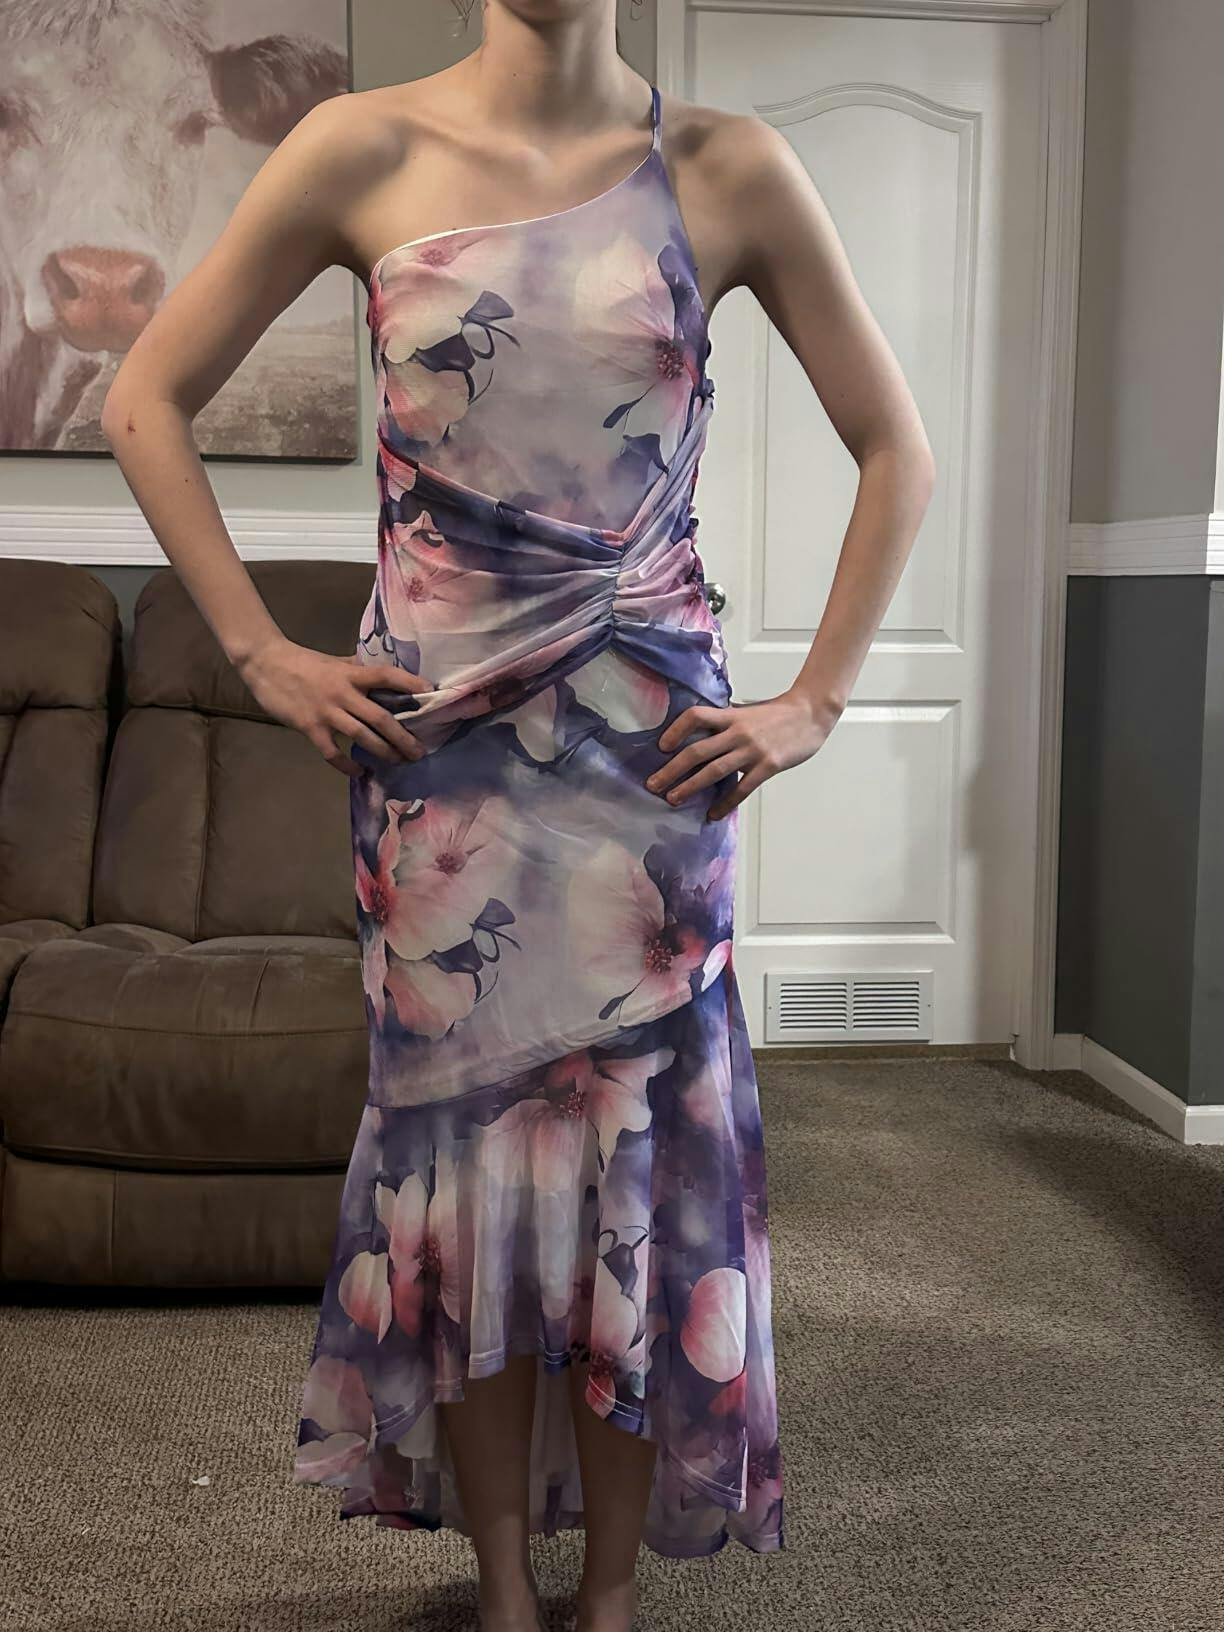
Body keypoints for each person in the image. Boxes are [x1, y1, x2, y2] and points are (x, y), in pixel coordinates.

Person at [101, 2, 935, 1628]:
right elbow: (148, 397)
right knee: (463, 1178)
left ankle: (606, 1593)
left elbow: (896, 444)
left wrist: (815, 701)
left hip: (651, 778)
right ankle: (500, 1584)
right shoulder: (360, 148)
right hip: (442, 779)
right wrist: (261, 652)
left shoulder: (731, 167)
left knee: (638, 1175)